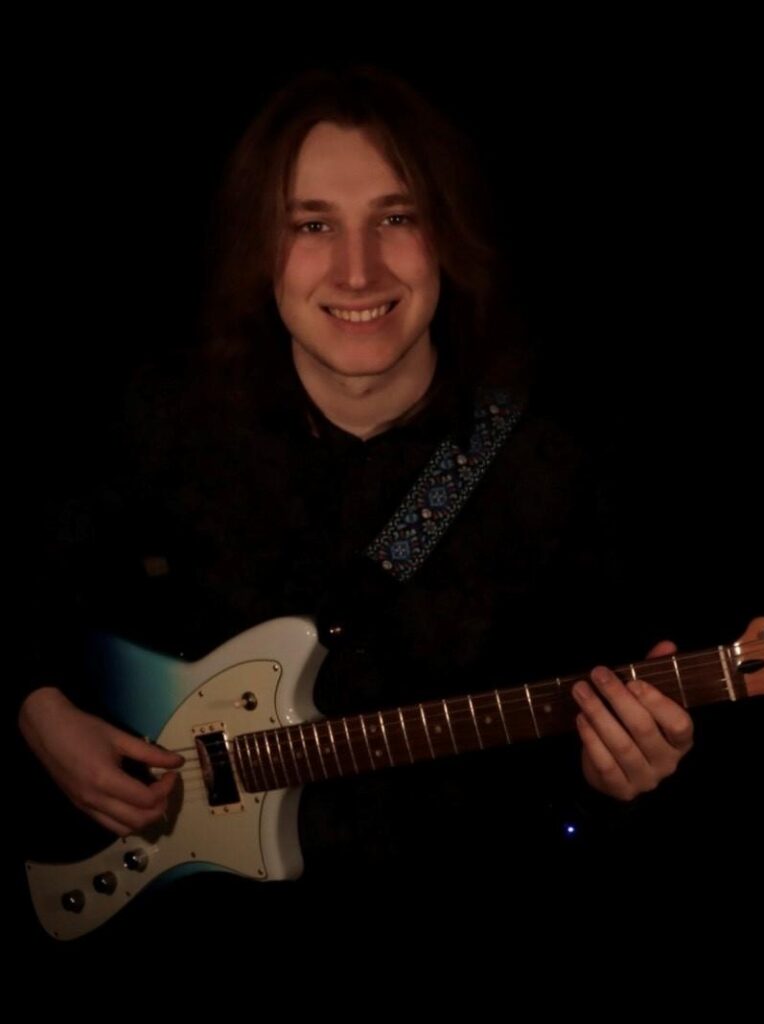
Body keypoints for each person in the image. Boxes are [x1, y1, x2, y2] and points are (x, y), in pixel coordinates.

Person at [17, 66, 693, 931]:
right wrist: (39, 712)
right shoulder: (163, 421)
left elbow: (585, 800)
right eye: (312, 225)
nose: (358, 269)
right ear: (260, 247)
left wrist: (618, 782)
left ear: (446, 234)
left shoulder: (558, 465)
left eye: (396, 217)